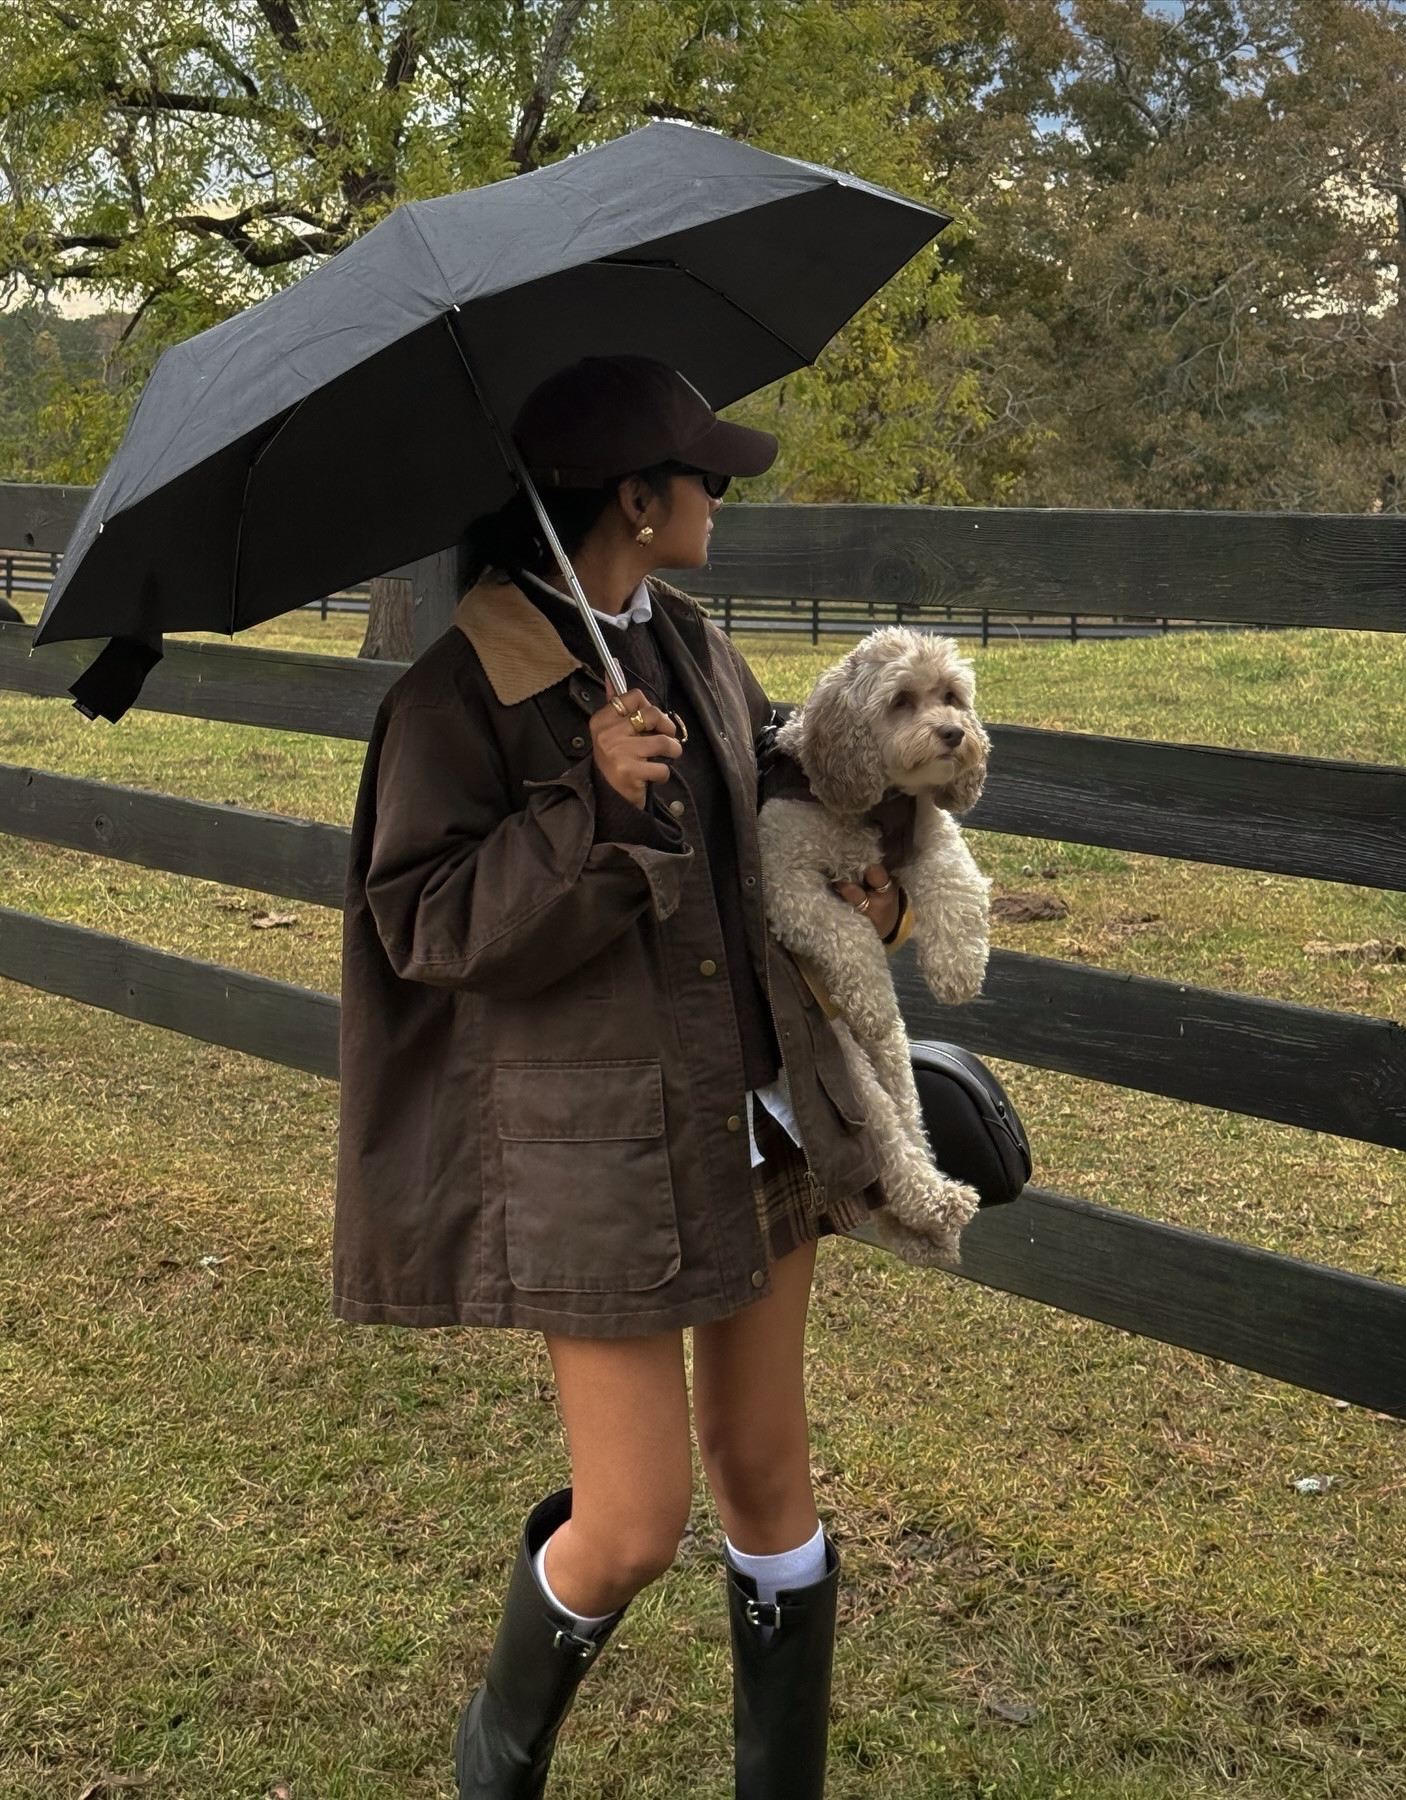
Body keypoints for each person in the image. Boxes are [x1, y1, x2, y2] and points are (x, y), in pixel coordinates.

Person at [332, 355, 908, 1799]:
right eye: (704, 474)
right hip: (592, 1152)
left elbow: (762, 832)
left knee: (769, 1478)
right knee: (637, 1522)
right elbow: (428, 925)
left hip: (753, 1118)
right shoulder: (457, 694)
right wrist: (584, 800)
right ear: (638, 500)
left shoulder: (690, 644)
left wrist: (868, 887)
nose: (723, 493)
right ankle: (492, 1766)